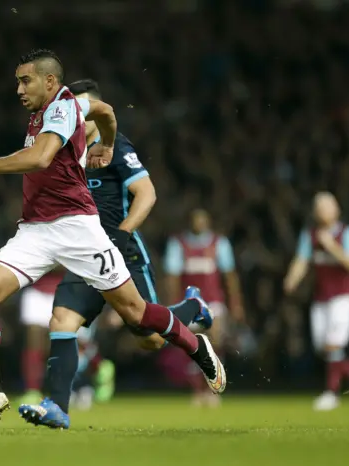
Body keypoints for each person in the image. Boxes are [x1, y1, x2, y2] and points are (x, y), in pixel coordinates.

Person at [0, 50, 225, 430]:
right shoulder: (61, 109)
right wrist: (106, 143)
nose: (18, 89)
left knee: (136, 316)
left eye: (25, 80)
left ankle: (196, 346)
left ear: (50, 81)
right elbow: (108, 112)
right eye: (17, 80)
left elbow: (41, 157)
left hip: (79, 230)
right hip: (36, 229)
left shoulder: (64, 106)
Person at [18, 79, 214, 427]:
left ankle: (192, 307)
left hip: (121, 249)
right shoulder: (65, 149)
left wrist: (122, 235)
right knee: (62, 321)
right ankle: (58, 407)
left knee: (151, 340)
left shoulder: (116, 148)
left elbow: (147, 193)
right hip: (82, 249)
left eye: (81, 110)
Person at [284, 192, 349, 411]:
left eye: (326, 207)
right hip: (321, 298)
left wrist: (332, 247)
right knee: (324, 348)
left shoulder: (347, 233)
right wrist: (292, 278)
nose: (322, 211)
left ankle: (331, 393)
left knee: (333, 345)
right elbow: (302, 260)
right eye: (318, 207)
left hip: (343, 297)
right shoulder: (309, 235)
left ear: (336, 209)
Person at [163, 209, 244, 407]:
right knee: (192, 345)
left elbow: (229, 276)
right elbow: (171, 276)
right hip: (190, 302)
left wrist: (236, 303)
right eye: (195, 220)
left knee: (215, 340)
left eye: (202, 220)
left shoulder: (219, 243)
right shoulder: (178, 244)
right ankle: (198, 390)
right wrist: (172, 303)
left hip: (214, 301)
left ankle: (212, 389)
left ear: (208, 222)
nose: (199, 224)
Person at [18, 270, 64, 405]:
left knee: (63, 344)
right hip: (36, 292)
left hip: (63, 291)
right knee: (33, 342)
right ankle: (32, 390)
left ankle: (97, 365)